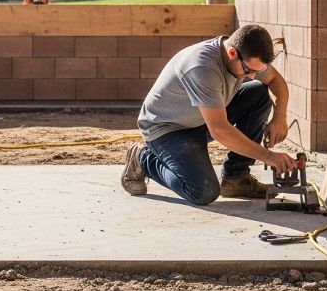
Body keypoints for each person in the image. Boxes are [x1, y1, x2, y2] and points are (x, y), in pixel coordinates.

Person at [121, 24, 296, 205]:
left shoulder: (247, 57)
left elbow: (275, 80)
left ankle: (236, 178)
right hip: (167, 129)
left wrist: (280, 116)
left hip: (201, 119)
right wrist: (269, 157)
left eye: (257, 71)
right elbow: (219, 130)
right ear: (232, 53)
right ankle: (142, 159)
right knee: (203, 191)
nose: (251, 76)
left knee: (258, 92)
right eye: (248, 70)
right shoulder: (202, 67)